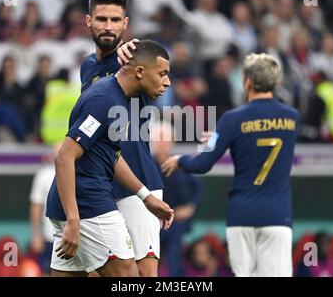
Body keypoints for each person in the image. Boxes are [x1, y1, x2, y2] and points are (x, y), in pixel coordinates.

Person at [162, 53, 300, 277]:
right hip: (278, 215)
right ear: (274, 82)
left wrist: (181, 160)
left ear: (247, 81)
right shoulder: (292, 117)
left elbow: (203, 164)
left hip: (242, 214)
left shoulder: (232, 120)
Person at [45, 39, 173, 277]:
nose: (167, 82)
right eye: (163, 74)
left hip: (72, 205)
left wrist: (145, 197)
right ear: (140, 71)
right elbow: (64, 158)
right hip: (88, 204)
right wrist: (74, 220)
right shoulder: (103, 100)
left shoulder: (118, 100)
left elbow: (111, 156)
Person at [79, 0, 166, 277]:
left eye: (116, 20)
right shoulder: (87, 67)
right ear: (88, 21)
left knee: (144, 275)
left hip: (138, 181)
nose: (108, 26)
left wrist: (129, 50)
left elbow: (143, 58)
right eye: (102, 19)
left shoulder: (132, 59)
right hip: (100, 184)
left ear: (126, 24)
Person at [150, 121, 203, 277]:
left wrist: (190, 207)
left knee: (175, 253)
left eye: (165, 139)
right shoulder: (146, 163)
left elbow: (198, 188)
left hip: (174, 220)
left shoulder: (179, 163)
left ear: (172, 140)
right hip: (150, 219)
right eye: (158, 139)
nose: (161, 143)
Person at [29, 143, 61, 276]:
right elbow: (36, 206)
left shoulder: (78, 172)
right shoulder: (43, 175)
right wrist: (36, 235)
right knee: (47, 271)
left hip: (75, 236)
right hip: (50, 236)